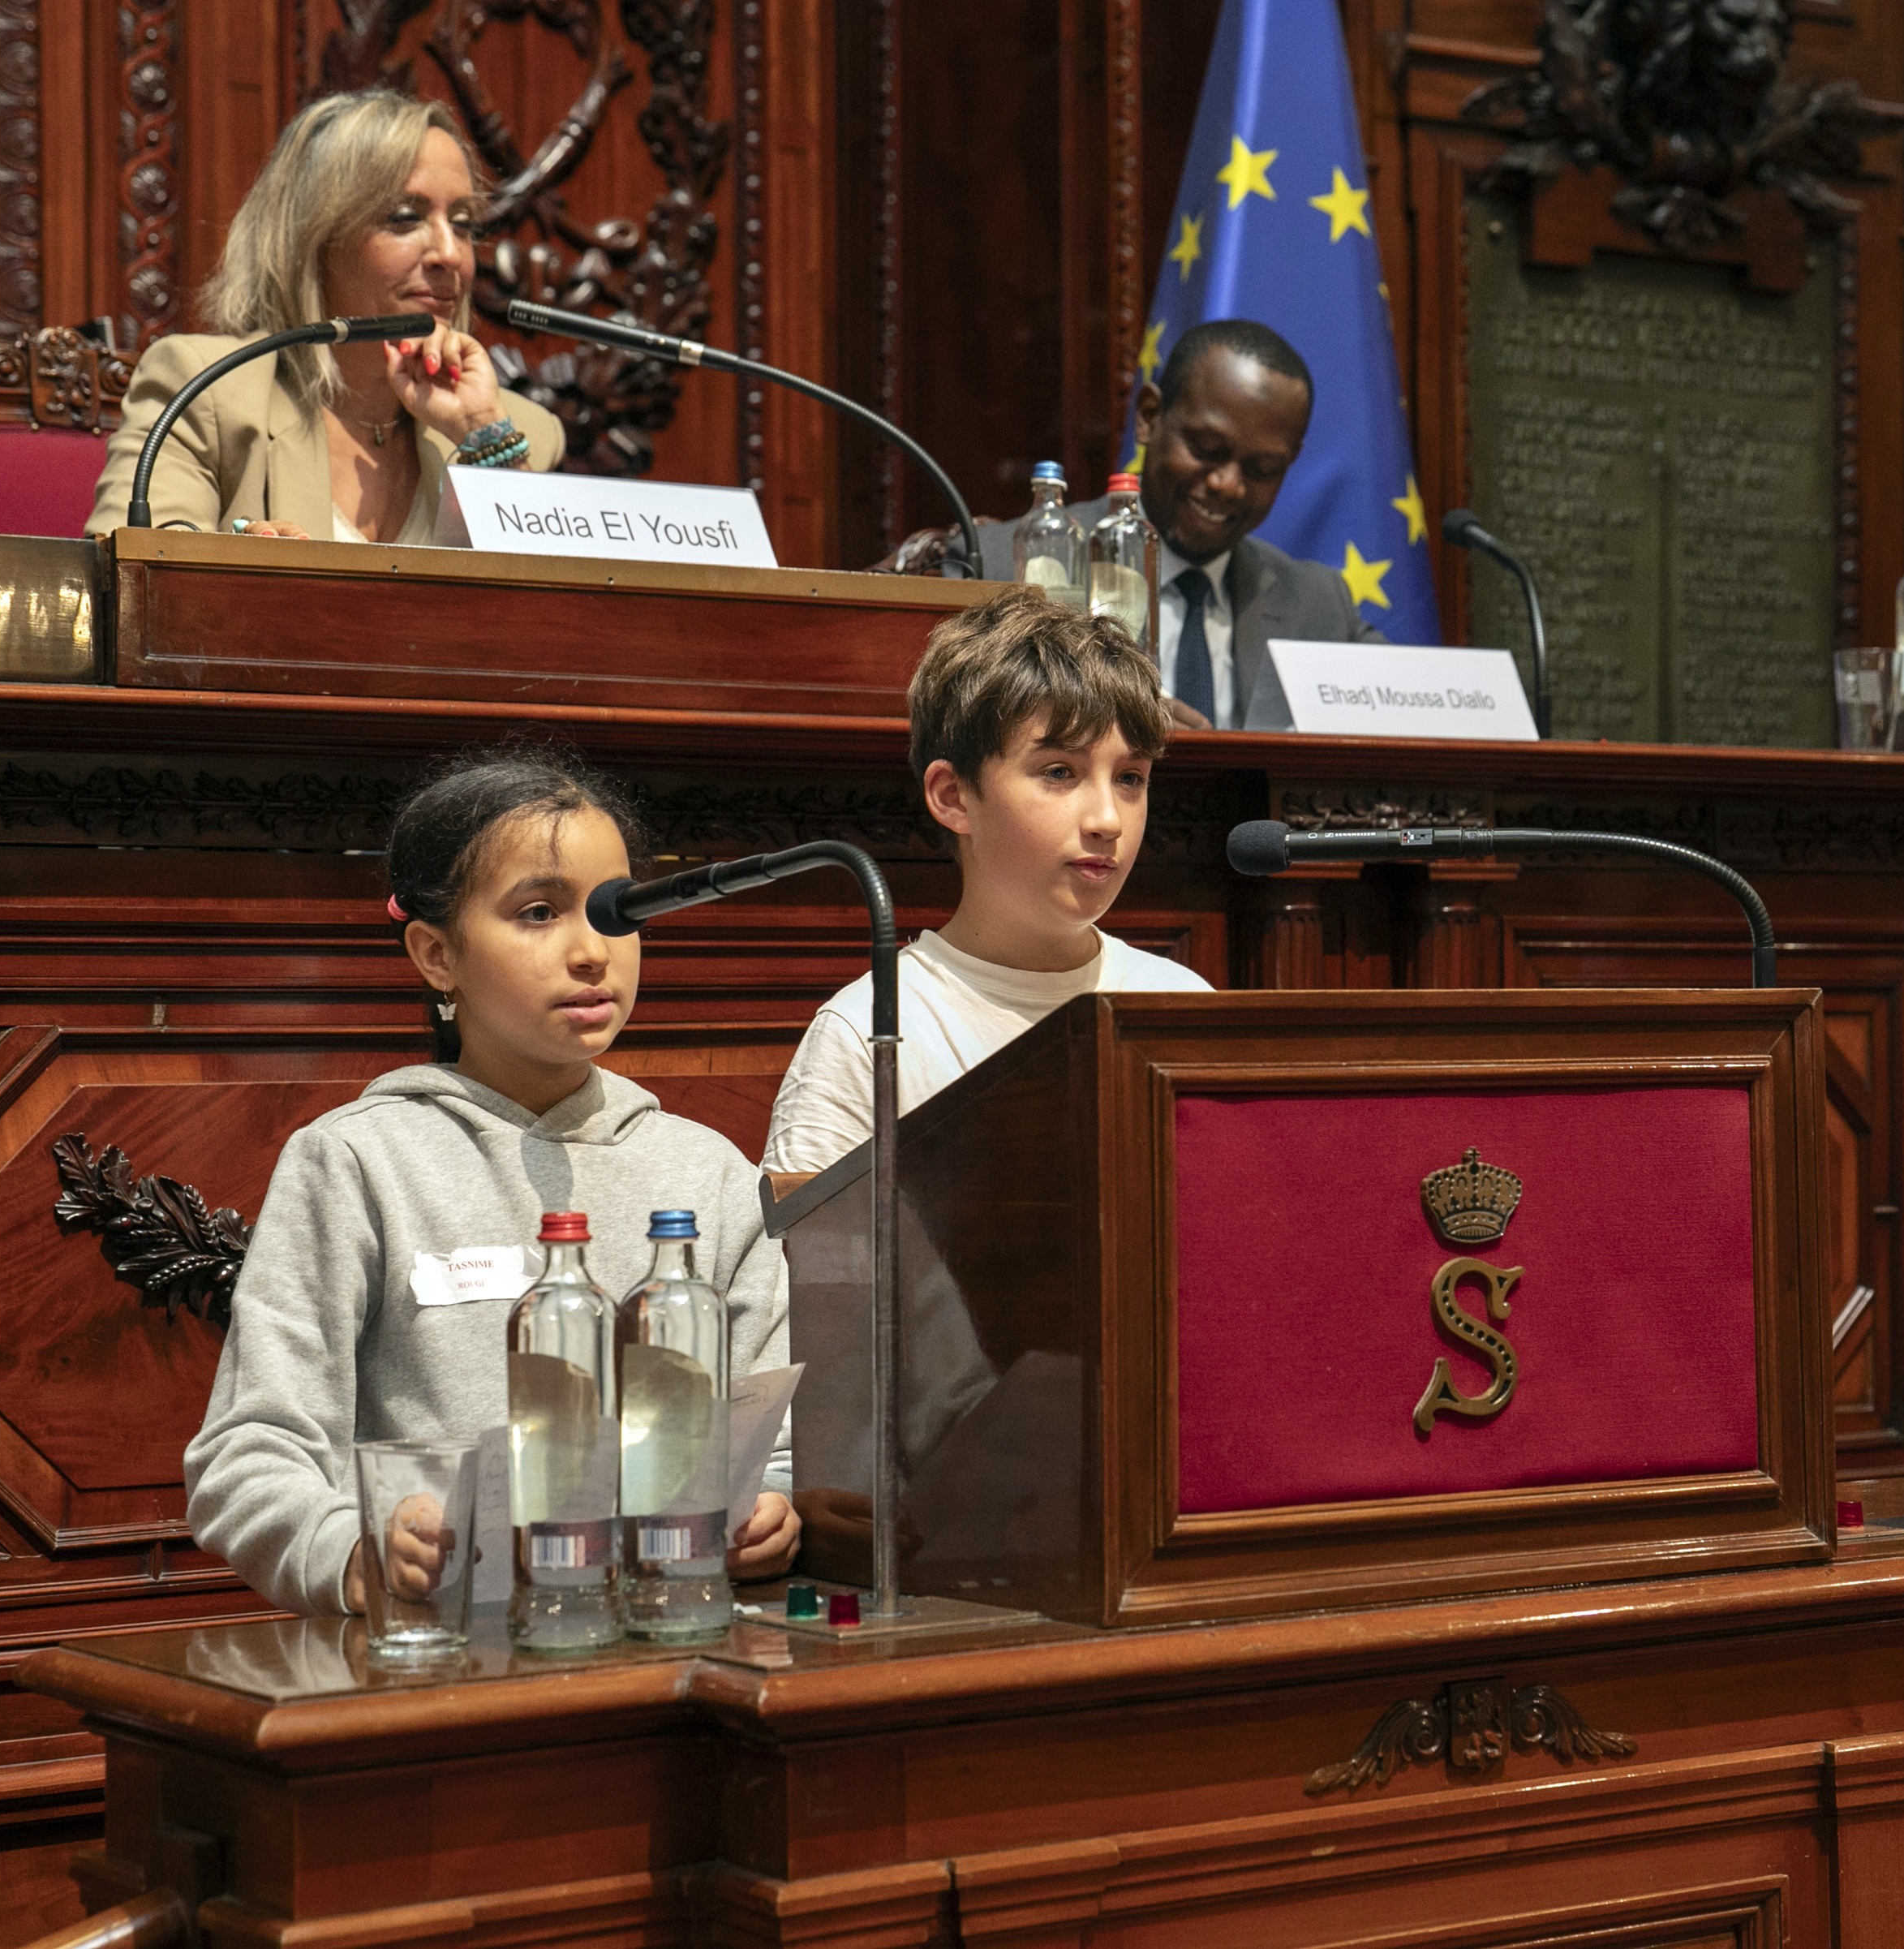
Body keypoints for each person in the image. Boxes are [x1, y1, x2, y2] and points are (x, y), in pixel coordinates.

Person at [184, 749, 800, 1617]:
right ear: (437, 953)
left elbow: (778, 1439)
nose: (591, 951)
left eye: (616, 911)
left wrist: (774, 1508)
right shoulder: (355, 1162)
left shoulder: (711, 1173)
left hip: (673, 1645)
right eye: (539, 912)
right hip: (443, 1652)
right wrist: (355, 1551)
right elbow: (248, 1454)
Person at [764, 587, 1211, 1177]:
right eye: (1060, 772)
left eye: (1130, 778)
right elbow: (814, 1237)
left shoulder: (1184, 1005)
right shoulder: (869, 1034)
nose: (1108, 820)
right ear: (954, 796)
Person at [87, 89, 565, 542]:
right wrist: (230, 571)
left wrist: (484, 435)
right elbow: (134, 571)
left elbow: (549, 599)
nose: (451, 254)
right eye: (404, 218)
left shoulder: (520, 432)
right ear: (314, 239)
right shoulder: (205, 392)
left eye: (462, 225)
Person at [969, 317, 1379, 731]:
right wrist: (1112, 725)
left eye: (1262, 469)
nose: (1228, 485)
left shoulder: (1320, 606)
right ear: (1149, 417)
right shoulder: (999, 568)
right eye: (1206, 449)